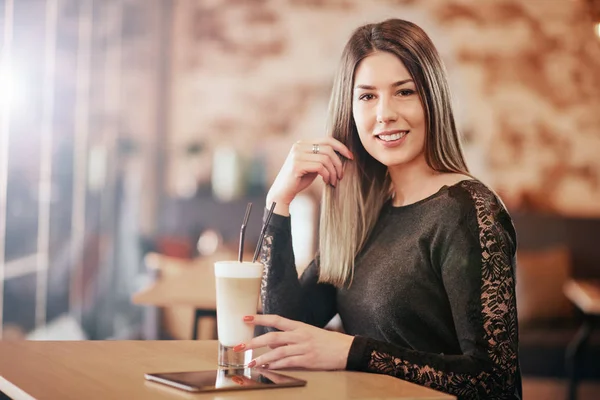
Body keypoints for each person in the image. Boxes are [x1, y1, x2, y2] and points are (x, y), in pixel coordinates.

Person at [233, 18, 521, 399]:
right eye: (367, 96)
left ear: (432, 99)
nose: (385, 113)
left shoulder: (469, 210)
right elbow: (282, 334)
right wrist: (278, 200)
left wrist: (353, 351)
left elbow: (494, 381)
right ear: (350, 110)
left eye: (404, 92)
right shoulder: (364, 213)